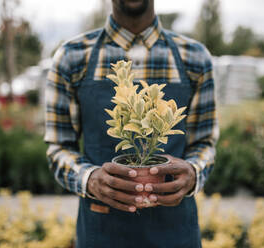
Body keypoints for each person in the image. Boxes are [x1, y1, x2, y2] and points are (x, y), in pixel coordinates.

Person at [44, 0, 219, 247]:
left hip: (175, 232)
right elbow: (58, 146)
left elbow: (204, 142)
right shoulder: (72, 57)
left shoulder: (195, 57)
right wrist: (90, 178)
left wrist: (193, 172)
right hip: (102, 231)